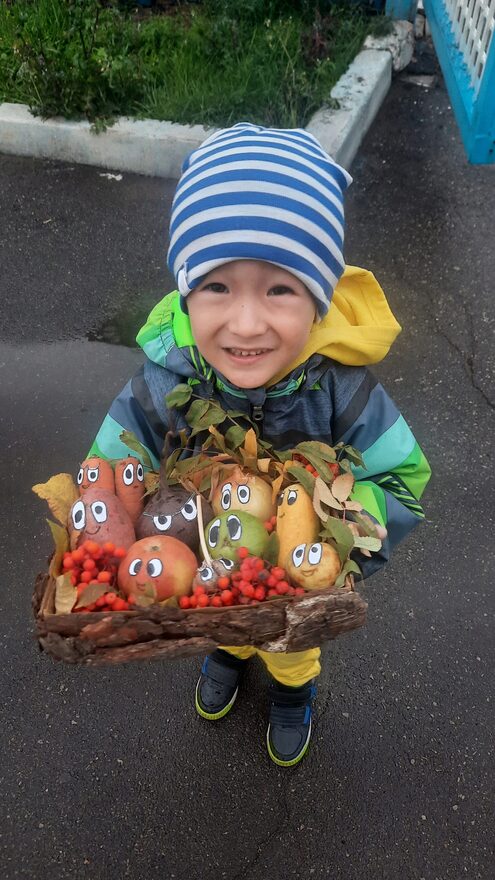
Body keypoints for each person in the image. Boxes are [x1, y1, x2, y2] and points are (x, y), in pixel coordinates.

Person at [88, 123, 431, 767]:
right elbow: (119, 450)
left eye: (280, 289)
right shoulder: (172, 374)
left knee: (290, 644)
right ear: (187, 291)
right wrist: (108, 503)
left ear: (319, 297)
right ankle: (226, 648)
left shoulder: (340, 388)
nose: (246, 324)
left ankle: (293, 692)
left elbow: (401, 478)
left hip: (293, 584)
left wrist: (341, 537)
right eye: (216, 286)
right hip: (209, 560)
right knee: (226, 621)